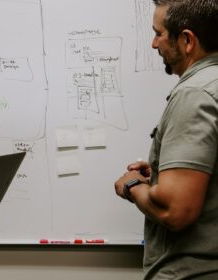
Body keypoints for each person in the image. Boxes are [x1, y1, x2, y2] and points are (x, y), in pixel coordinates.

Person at [114, 0, 218, 279]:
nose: (153, 43)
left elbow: (176, 209)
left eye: (158, 33)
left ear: (187, 40)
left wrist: (131, 185)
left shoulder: (195, 94)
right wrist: (162, 176)